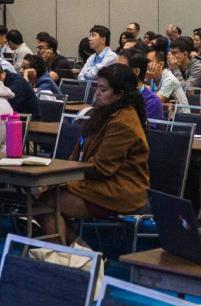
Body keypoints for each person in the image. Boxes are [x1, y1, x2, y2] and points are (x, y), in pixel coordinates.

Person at [48, 62, 149, 242]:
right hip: (98, 184)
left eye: (103, 89)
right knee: (43, 198)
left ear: (120, 94)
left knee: (45, 202)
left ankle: (69, 254)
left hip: (118, 191)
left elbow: (102, 168)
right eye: (97, 87)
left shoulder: (123, 122)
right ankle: (77, 252)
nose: (97, 93)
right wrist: (58, 179)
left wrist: (64, 180)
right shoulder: (104, 113)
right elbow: (79, 153)